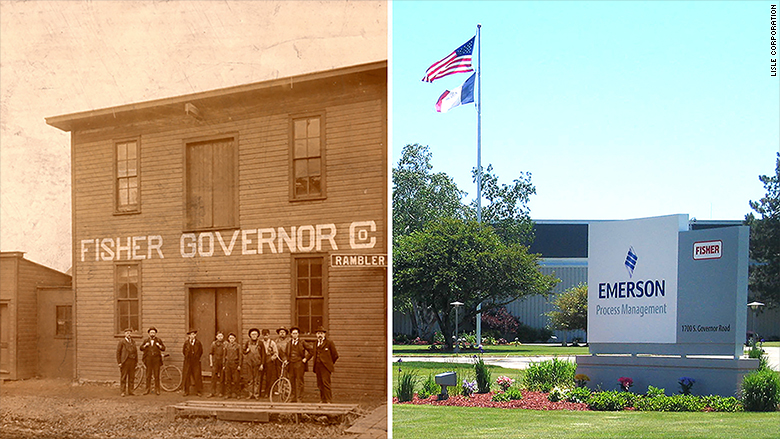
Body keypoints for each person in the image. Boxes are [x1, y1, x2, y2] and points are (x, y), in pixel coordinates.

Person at [312, 326, 338, 403]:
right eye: (318, 333)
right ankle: (322, 399)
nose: (320, 335)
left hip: (325, 367)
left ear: (324, 334)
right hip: (317, 366)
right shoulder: (315, 343)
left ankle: (329, 400)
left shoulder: (329, 343)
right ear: (316, 334)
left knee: (326, 383)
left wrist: (328, 363)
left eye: (321, 333)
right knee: (320, 384)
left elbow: (335, 355)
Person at [139, 327, 166, 395]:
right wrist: (145, 345)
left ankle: (157, 389)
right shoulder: (146, 340)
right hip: (148, 360)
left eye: (153, 332)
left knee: (156, 375)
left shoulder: (159, 340)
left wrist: (159, 346)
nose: (152, 334)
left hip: (156, 360)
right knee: (148, 375)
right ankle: (147, 389)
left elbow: (163, 348)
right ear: (149, 333)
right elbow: (141, 348)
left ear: (155, 333)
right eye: (151, 332)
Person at [287, 326, 310, 402]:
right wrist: (286, 360)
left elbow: (312, 350)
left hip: (299, 364)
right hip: (291, 364)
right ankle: (293, 397)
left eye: (296, 333)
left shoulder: (302, 342)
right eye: (293, 333)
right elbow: (285, 353)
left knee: (299, 382)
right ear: (291, 334)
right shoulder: (289, 343)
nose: (294, 335)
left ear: (298, 334)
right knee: (291, 381)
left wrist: (306, 359)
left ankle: (299, 398)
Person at [243, 328, 265, 399]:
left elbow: (263, 354)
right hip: (249, 364)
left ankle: (256, 394)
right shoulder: (247, 342)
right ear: (250, 335)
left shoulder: (260, 343)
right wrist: (246, 350)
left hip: (257, 364)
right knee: (250, 379)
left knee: (257, 380)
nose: (254, 335)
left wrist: (262, 364)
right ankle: (250, 394)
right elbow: (243, 351)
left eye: (255, 334)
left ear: (258, 335)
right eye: (252, 334)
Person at [116, 328, 138, 397]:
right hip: (125, 362)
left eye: (130, 333)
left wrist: (136, 361)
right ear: (124, 334)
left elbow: (136, 352)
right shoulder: (122, 342)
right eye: (127, 333)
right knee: (123, 377)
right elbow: (118, 352)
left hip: (132, 361)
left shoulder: (133, 342)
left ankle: (131, 391)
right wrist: (119, 362)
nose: (129, 334)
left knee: (132, 377)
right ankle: (123, 391)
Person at [181, 329, 203, 396]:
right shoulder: (186, 343)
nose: (192, 336)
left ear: (195, 335)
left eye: (193, 334)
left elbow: (201, 351)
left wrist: (196, 357)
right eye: (191, 335)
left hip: (195, 362)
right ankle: (186, 391)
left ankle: (198, 391)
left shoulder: (198, 343)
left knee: (197, 376)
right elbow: (183, 352)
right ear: (189, 336)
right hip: (188, 361)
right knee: (186, 376)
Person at [260, 328, 278, 398]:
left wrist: (271, 359)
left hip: (269, 361)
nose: (265, 337)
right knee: (261, 376)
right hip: (262, 361)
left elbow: (276, 353)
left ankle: (267, 392)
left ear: (269, 335)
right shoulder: (260, 342)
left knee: (269, 377)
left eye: (267, 335)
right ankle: (260, 392)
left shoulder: (272, 343)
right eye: (264, 335)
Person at [223, 332, 242, 399]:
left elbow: (240, 356)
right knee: (228, 380)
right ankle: (228, 394)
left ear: (235, 339)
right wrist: (224, 365)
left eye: (233, 338)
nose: (231, 339)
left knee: (236, 380)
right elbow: (224, 355)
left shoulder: (238, 346)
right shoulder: (226, 346)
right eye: (230, 338)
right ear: (228, 339)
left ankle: (237, 394)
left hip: (235, 363)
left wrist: (239, 365)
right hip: (228, 363)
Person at [208, 331, 226, 397]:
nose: (220, 337)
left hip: (222, 363)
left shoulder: (225, 344)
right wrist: (211, 363)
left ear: (223, 337)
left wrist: (225, 364)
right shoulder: (213, 344)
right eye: (219, 336)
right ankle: (212, 392)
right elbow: (210, 354)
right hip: (215, 362)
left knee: (222, 378)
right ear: (216, 337)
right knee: (213, 378)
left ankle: (221, 392)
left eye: (221, 336)